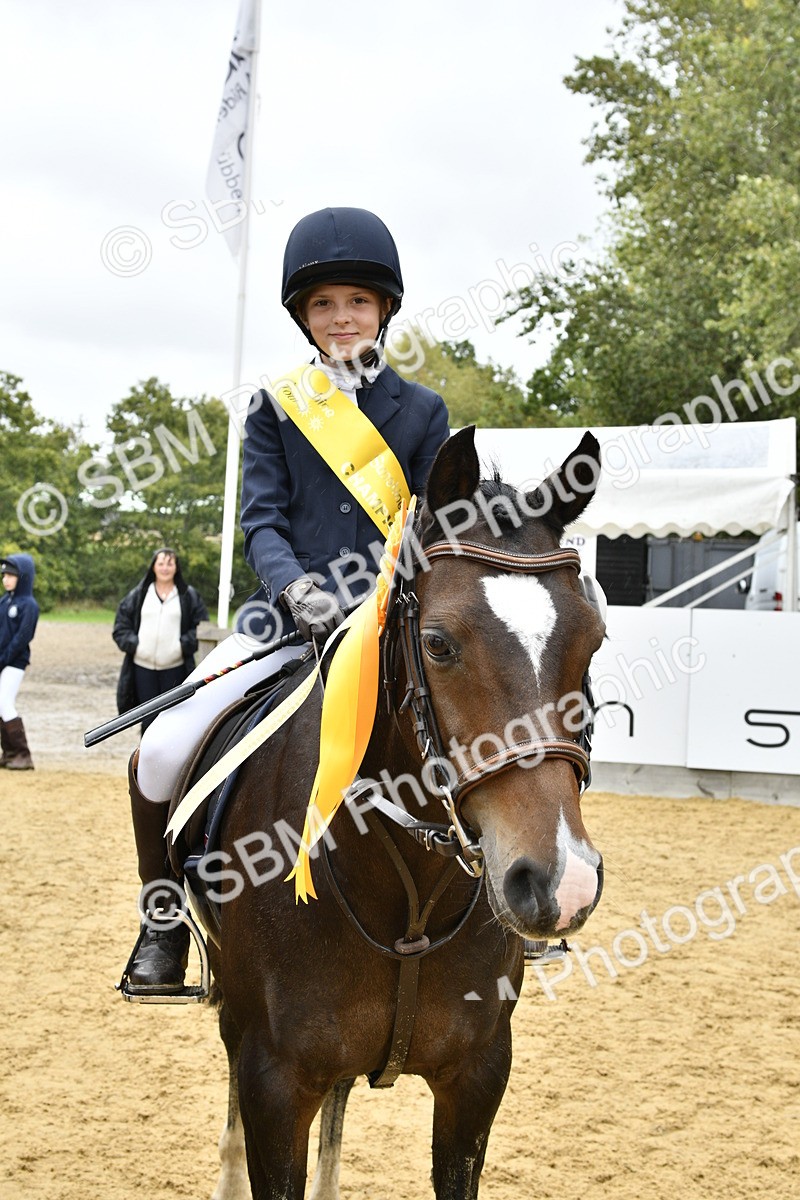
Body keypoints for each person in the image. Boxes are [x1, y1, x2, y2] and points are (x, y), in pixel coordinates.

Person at [123, 206, 450, 993]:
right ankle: (162, 921)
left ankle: (518, 898)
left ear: (385, 310)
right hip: (285, 621)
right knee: (161, 749)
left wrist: (393, 596)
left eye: (358, 303)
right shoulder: (275, 406)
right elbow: (262, 518)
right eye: (324, 305)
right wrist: (293, 586)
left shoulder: (423, 412)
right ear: (304, 317)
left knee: (496, 729)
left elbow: (436, 524)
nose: (343, 319)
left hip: (388, 623)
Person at [112, 548, 209, 732]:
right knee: (148, 721)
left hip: (175, 669)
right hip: (143, 669)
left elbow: (201, 626)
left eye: (170, 563)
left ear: (176, 567)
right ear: (153, 567)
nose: (165, 568)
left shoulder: (188, 595)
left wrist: (181, 647)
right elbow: (120, 626)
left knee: (172, 720)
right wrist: (135, 645)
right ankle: (145, 760)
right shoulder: (139, 594)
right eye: (161, 563)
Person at [0, 554, 40, 770]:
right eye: (4, 575)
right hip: (2, 660)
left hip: (15, 663)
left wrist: (3, 659)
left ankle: (23, 755)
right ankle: (9, 753)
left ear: (23, 577)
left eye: (11, 575)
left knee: (4, 702)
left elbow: (22, 638)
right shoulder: (5, 601)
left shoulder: (29, 605)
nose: (6, 579)